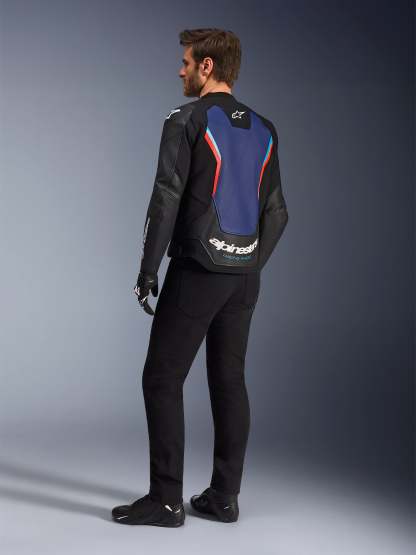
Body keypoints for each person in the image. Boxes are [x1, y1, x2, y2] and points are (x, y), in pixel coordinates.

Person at [112, 28, 288, 527]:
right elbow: (277, 213)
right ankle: (224, 498)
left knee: (162, 378)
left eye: (186, 62)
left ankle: (166, 501)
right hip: (244, 278)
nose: (181, 70)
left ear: (207, 67)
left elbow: (166, 198)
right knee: (229, 380)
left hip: (197, 272)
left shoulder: (185, 119)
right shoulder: (266, 128)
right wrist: (246, 261)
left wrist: (147, 270)